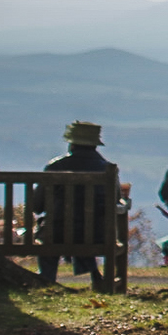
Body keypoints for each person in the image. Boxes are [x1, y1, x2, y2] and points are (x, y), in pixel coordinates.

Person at [37, 120, 118, 290]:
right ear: (95, 145)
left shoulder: (55, 166)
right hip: (97, 233)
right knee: (84, 227)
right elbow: (116, 202)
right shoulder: (107, 169)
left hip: (57, 232)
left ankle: (47, 280)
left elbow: (37, 205)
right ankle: (96, 277)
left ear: (71, 144)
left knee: (56, 231)